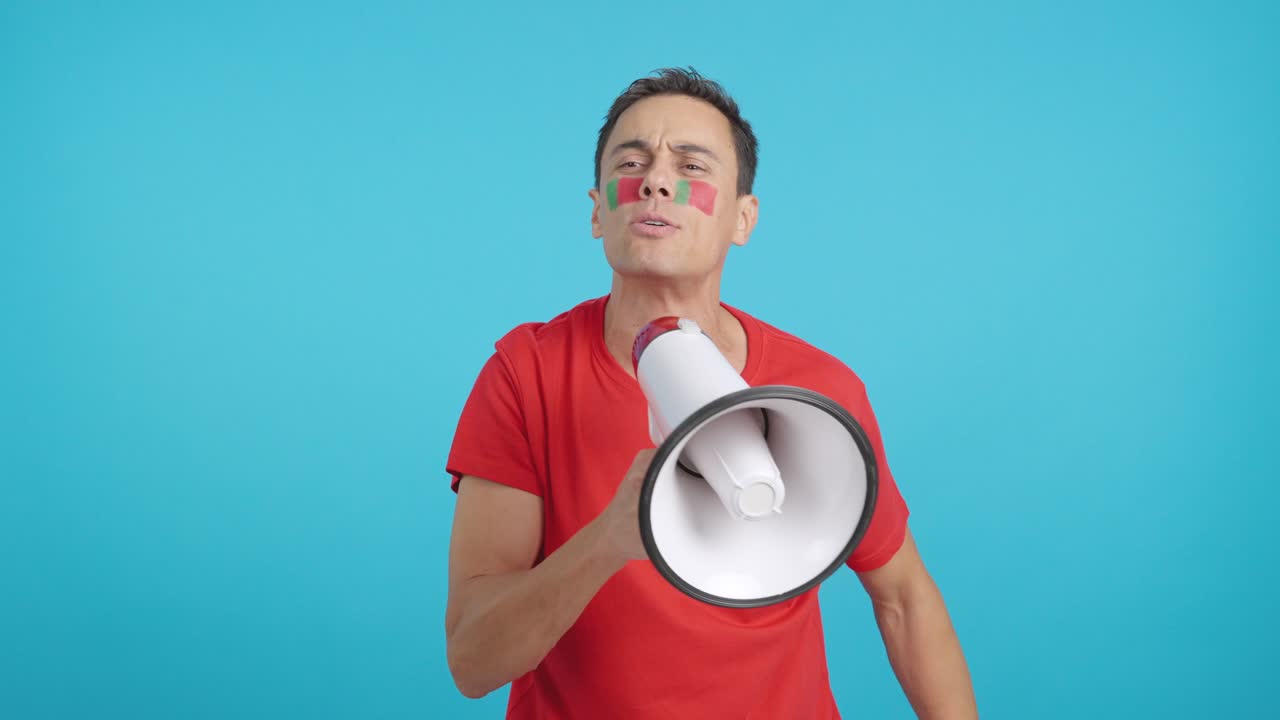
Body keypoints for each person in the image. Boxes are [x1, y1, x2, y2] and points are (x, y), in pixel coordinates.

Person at [444, 67, 978, 719]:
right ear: (597, 212)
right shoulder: (524, 374)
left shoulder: (820, 392)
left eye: (691, 167)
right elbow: (473, 660)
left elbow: (903, 600)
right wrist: (611, 539)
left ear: (742, 218)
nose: (656, 181)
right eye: (631, 162)